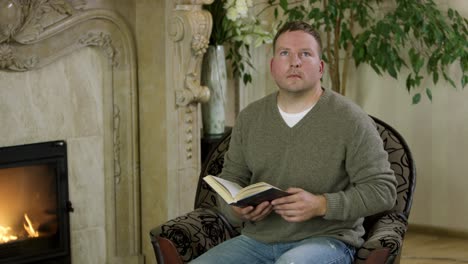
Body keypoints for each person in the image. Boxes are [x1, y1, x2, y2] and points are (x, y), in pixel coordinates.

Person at [190, 21, 397, 264]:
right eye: (285, 53)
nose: (294, 61)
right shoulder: (250, 118)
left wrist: (322, 205)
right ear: (273, 66)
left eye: (305, 54)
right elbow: (229, 183)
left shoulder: (350, 119)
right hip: (256, 241)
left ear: (320, 68)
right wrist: (236, 210)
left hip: (327, 240)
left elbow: (384, 190)